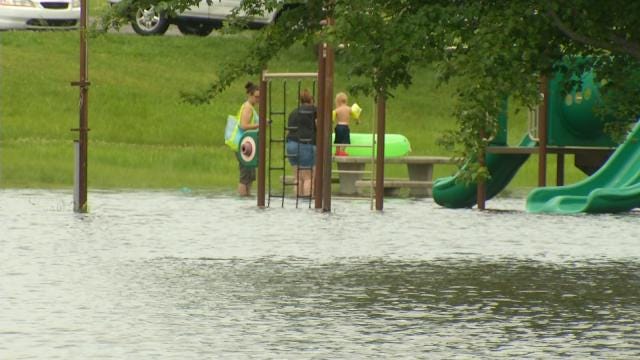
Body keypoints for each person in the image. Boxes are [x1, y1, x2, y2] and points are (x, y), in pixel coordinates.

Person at [286, 89, 317, 197]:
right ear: (311, 99)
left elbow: (289, 130)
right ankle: (306, 203)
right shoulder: (314, 110)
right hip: (305, 144)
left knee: (298, 178)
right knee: (309, 178)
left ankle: (297, 203)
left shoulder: (293, 112)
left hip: (290, 145)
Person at [237, 81, 260, 196]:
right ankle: (243, 199)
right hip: (245, 146)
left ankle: (248, 197)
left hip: (249, 145)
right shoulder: (248, 108)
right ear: (250, 95)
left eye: (260, 97)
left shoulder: (250, 107)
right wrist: (260, 125)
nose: (258, 99)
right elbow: (243, 125)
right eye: (256, 97)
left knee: (250, 176)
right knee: (245, 176)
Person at [333, 92, 357, 156]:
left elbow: (333, 114)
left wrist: (332, 121)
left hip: (338, 126)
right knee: (345, 139)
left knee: (338, 139)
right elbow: (355, 115)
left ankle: (337, 151)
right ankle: (342, 151)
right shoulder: (349, 109)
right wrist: (357, 120)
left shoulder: (337, 109)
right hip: (345, 126)